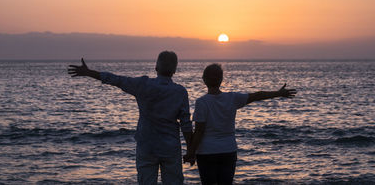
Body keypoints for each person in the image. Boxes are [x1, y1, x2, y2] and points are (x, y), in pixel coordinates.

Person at [68, 51, 192, 185]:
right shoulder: (180, 92)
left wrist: (89, 73)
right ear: (175, 69)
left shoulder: (143, 84)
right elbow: (186, 124)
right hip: (170, 147)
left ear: (156, 67)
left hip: (147, 146)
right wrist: (191, 150)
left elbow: (116, 80)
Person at [183, 63, 297, 185]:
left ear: (204, 80)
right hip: (228, 150)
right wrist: (278, 93)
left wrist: (191, 152)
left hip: (207, 152)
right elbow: (257, 95)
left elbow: (199, 131)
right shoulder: (232, 98)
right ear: (221, 79)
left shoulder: (202, 102)